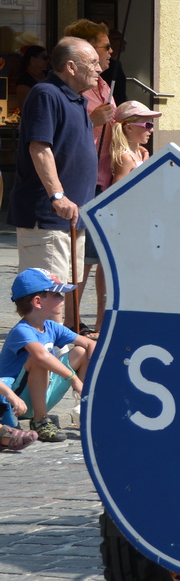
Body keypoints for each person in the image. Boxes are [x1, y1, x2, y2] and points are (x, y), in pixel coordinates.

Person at [8, 38, 100, 321]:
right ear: (71, 67)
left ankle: (57, 360)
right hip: (48, 218)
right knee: (47, 306)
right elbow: (39, 148)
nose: (99, 69)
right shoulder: (46, 94)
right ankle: (41, 363)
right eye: (93, 63)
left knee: (60, 303)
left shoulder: (76, 99)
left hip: (71, 220)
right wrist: (57, 195)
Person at [0, 268, 94, 443]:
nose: (62, 299)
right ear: (37, 301)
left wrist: (93, 368)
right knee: (39, 359)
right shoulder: (22, 331)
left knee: (81, 351)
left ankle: (85, 408)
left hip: (42, 392)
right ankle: (40, 420)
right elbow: (41, 356)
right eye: (57, 295)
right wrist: (73, 378)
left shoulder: (51, 326)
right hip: (15, 400)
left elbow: (90, 343)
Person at [63, 20, 119, 190]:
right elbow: (59, 134)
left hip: (106, 178)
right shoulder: (68, 89)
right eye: (106, 46)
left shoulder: (103, 84)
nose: (111, 51)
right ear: (88, 50)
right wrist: (92, 120)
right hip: (80, 180)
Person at [107, 100, 158, 185]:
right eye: (148, 125)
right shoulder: (126, 159)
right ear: (129, 128)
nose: (152, 130)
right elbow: (117, 193)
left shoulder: (139, 152)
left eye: (152, 125)